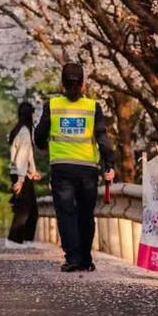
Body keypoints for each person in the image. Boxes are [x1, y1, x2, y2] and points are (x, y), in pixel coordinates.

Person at [35, 62, 116, 273]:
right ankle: (86, 259)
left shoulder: (52, 106)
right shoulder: (92, 107)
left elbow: (39, 135)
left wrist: (44, 146)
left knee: (66, 213)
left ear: (62, 83)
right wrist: (109, 164)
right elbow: (102, 138)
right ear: (83, 84)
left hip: (61, 168)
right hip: (88, 169)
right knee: (86, 214)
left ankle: (72, 258)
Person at [7, 100, 40, 246]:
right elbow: (21, 157)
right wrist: (21, 180)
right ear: (29, 115)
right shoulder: (25, 132)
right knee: (24, 210)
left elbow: (28, 155)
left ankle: (25, 240)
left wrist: (32, 172)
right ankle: (15, 240)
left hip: (22, 173)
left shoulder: (19, 130)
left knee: (30, 210)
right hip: (20, 174)